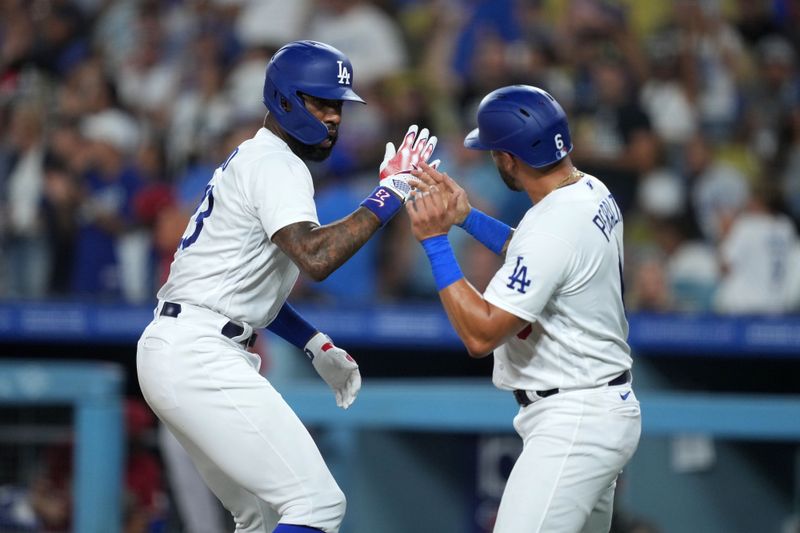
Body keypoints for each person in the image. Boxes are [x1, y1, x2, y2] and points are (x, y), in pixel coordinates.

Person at [136, 40, 438, 533]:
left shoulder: (256, 158)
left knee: (258, 516)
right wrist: (391, 193)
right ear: (283, 100)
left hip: (182, 345)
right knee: (317, 505)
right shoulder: (276, 163)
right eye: (321, 103)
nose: (335, 117)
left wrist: (314, 343)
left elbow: (244, 287)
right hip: (198, 354)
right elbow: (316, 258)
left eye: (338, 105)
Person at [407, 85, 641, 533]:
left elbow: (481, 335)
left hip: (575, 418)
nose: (492, 159)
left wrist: (436, 242)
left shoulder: (553, 227)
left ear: (510, 159)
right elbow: (534, 254)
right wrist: (466, 216)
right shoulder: (589, 188)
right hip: (597, 407)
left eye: (494, 151)